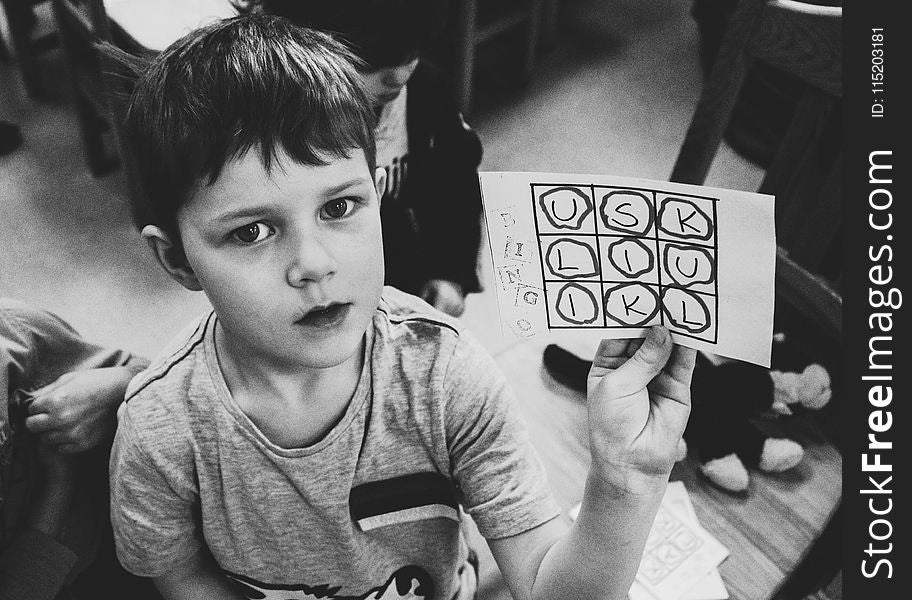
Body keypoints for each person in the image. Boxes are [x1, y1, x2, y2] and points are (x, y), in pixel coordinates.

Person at [108, 15, 695, 600]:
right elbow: (182, 573)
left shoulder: (447, 376)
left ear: (378, 187)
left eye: (338, 208)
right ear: (178, 260)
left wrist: (625, 479)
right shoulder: (160, 431)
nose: (313, 263)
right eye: (252, 231)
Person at [249, 0, 484, 318]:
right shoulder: (267, 129)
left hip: (409, 283)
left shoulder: (427, 90)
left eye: (413, 50)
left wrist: (452, 272)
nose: (399, 75)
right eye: (369, 61)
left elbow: (460, 182)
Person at [0, 298, 153, 599]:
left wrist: (117, 387)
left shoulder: (15, 338)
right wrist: (59, 483)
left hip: (126, 503)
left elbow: (157, 376)